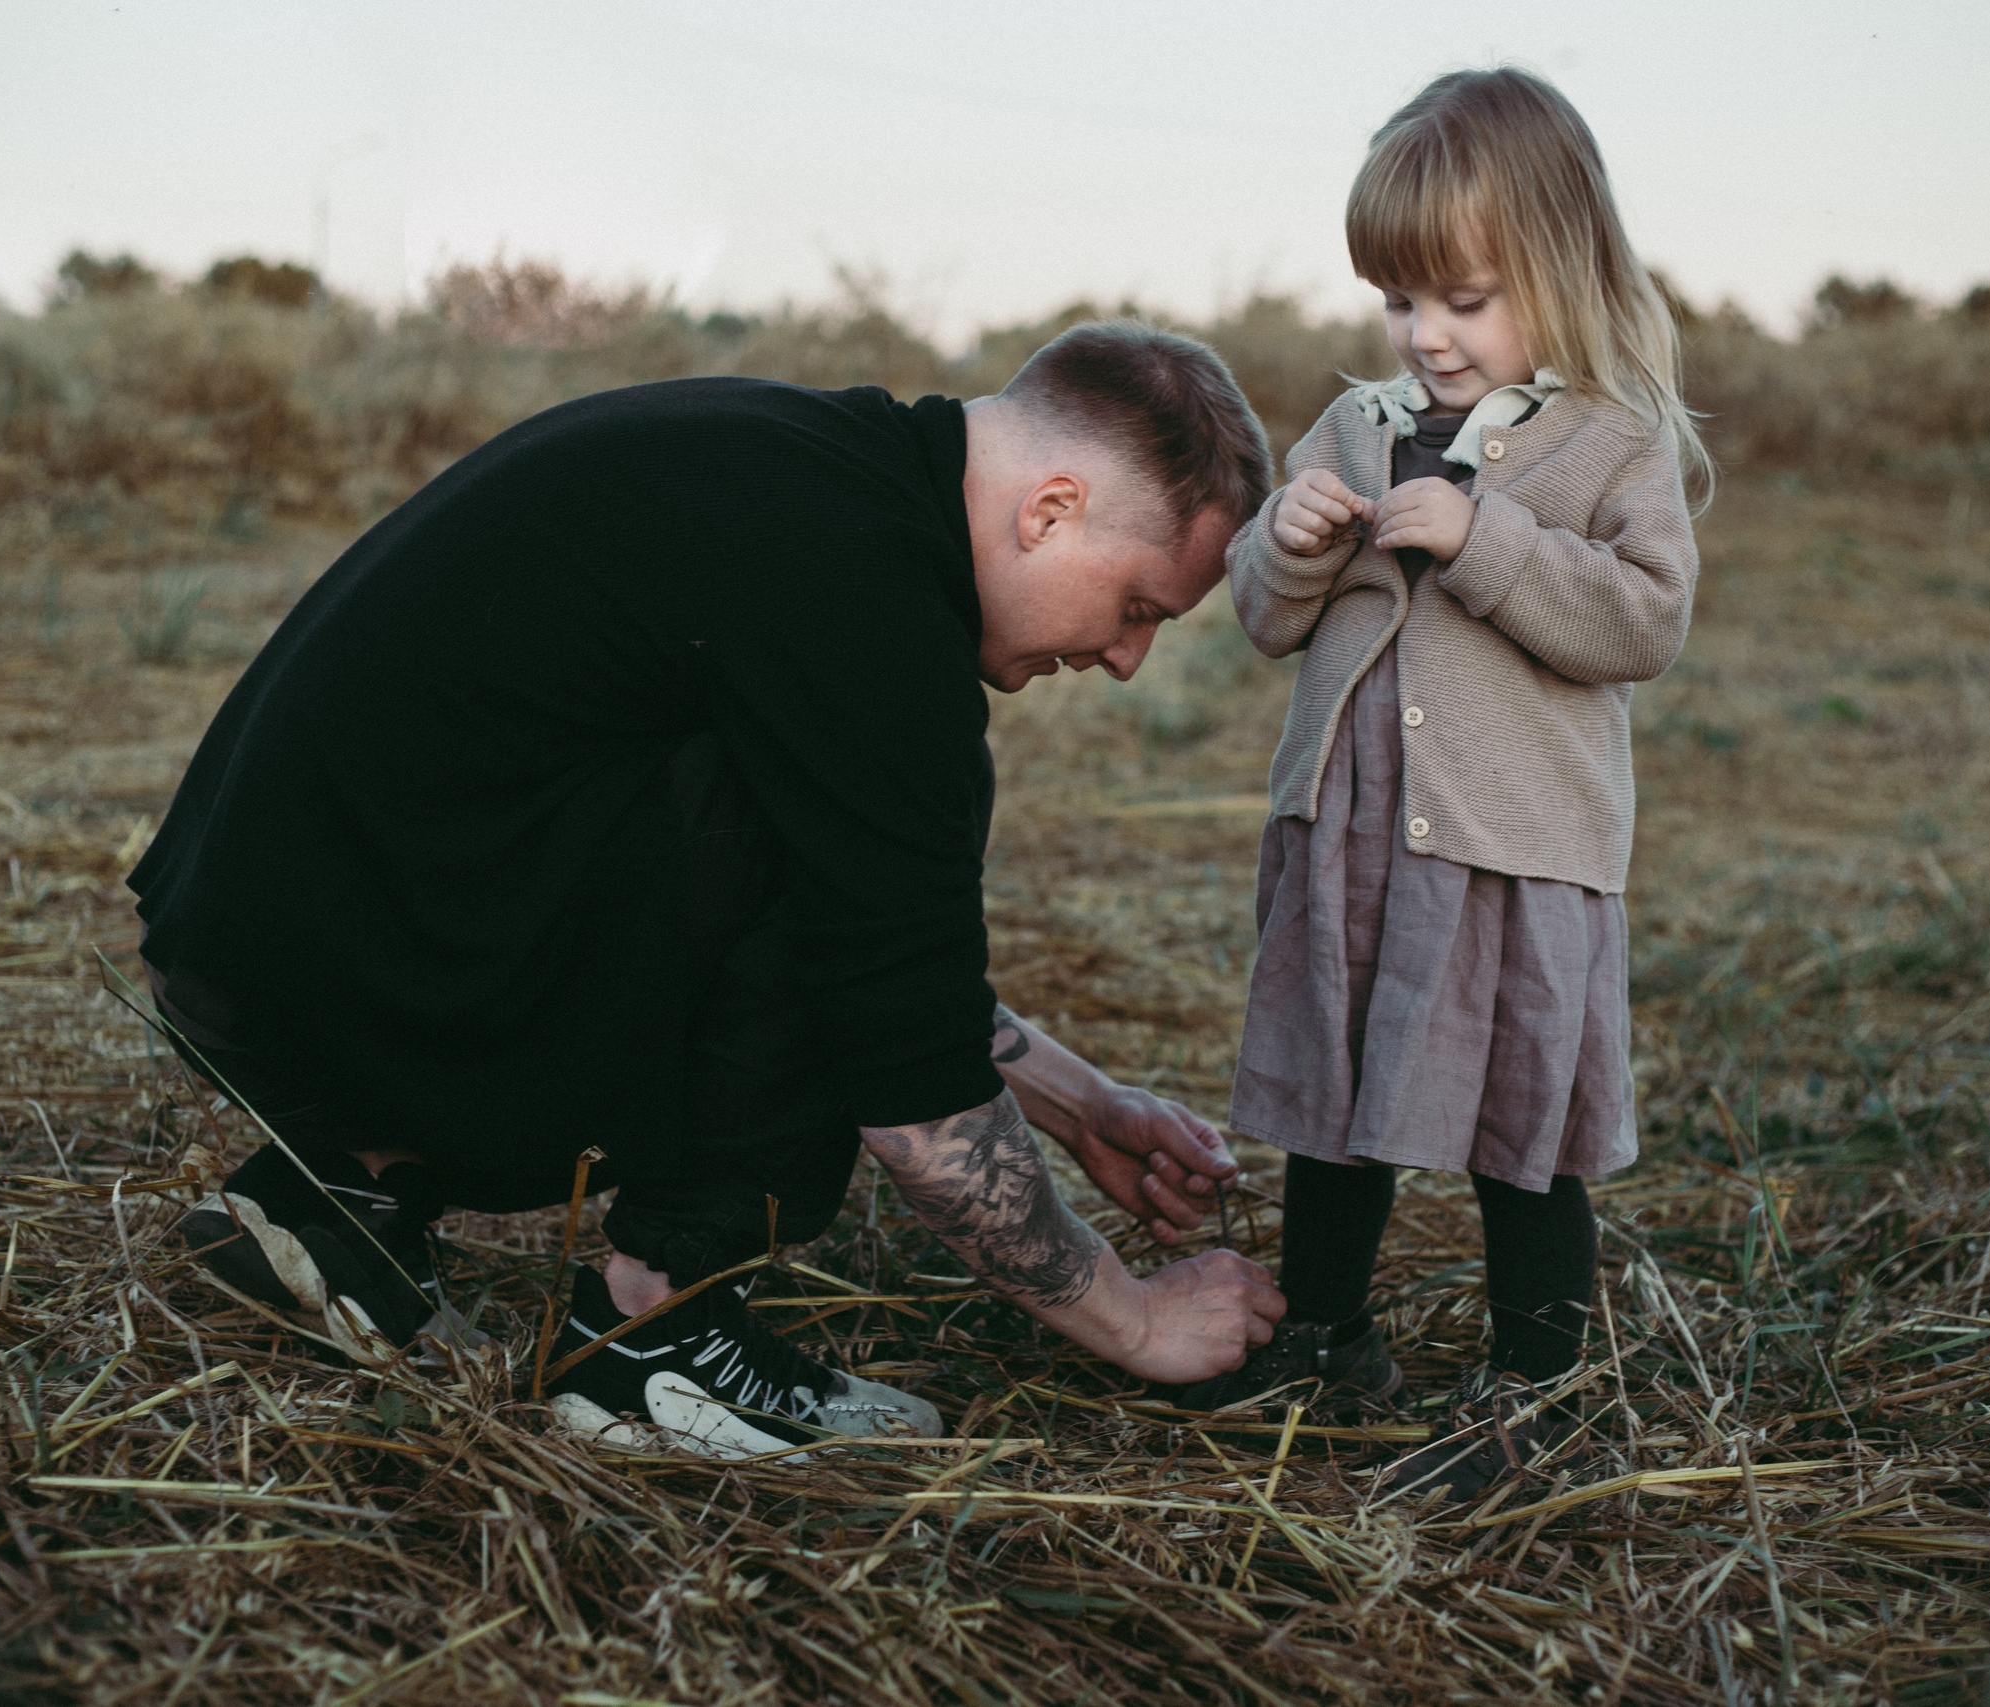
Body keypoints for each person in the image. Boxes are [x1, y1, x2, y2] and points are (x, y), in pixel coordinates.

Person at [129, 321, 1289, 1457]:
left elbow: (892, 962)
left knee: (825, 825)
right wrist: (1134, 1318)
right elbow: (904, 1068)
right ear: (1051, 510)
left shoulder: (811, 472)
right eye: (1139, 607)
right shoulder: (868, 602)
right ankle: (656, 1334)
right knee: (837, 823)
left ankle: (341, 1201)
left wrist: (1082, 1106)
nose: (1125, 660)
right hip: (374, 965)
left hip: (281, 952)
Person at [1180, 68, 1706, 1502]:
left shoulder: (1610, 438)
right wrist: (1288, 539)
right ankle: (1328, 1339)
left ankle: (1543, 1386)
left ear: (1564, 270)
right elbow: (1266, 615)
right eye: (1399, 299)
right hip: (1352, 831)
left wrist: (1486, 541)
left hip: (1512, 849)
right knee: (1336, 1102)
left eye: (1465, 299)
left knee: (1518, 1127)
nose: (1426, 334)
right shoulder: (1355, 425)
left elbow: (1645, 620)